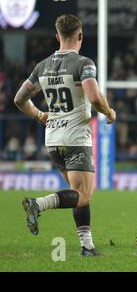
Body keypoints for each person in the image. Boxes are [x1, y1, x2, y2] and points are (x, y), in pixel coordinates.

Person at [14, 14, 116, 256]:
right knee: (82, 195)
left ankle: (87, 246)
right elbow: (93, 97)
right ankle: (38, 204)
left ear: (57, 36)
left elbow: (19, 99)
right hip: (75, 139)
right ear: (80, 35)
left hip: (53, 140)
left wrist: (40, 115)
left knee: (77, 194)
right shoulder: (83, 64)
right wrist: (109, 112)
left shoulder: (42, 66)